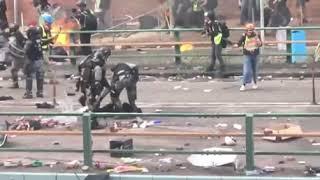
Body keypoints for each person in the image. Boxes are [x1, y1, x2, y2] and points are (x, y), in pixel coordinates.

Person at [233, 23, 262, 91]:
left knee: (255, 70)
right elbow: (239, 43)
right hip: (247, 55)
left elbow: (260, 44)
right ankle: (243, 84)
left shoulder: (257, 35)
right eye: (249, 30)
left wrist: (258, 42)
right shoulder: (244, 35)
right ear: (246, 30)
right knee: (247, 71)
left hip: (255, 54)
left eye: (251, 30)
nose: (250, 31)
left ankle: (255, 83)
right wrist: (236, 45)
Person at [23, 26, 45, 99]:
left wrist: (26, 62)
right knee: (40, 76)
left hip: (31, 60)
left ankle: (29, 93)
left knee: (29, 76)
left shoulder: (29, 42)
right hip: (39, 60)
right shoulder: (39, 41)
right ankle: (40, 92)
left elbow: (26, 52)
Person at [7, 23, 27, 88]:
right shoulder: (18, 34)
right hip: (19, 55)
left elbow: (17, 44)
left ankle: (16, 84)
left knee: (14, 70)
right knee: (23, 70)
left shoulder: (17, 34)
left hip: (18, 55)